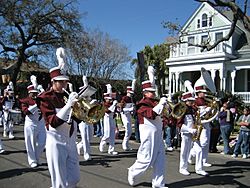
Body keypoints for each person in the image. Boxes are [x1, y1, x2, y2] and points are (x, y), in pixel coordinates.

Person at [36, 52, 80, 188]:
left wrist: (84, 110)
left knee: (74, 178)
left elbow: (76, 119)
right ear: (53, 82)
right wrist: (68, 106)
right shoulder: (45, 98)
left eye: (66, 81)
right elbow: (53, 122)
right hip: (56, 142)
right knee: (59, 182)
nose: (64, 84)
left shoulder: (67, 96)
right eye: (61, 81)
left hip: (71, 140)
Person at [128, 80, 168, 188]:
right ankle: (133, 171)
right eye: (151, 92)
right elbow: (151, 114)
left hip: (158, 134)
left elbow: (163, 116)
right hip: (148, 135)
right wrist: (160, 104)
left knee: (160, 160)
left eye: (154, 92)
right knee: (146, 159)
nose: (154, 94)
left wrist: (166, 109)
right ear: (145, 93)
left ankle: (158, 183)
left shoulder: (155, 103)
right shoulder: (142, 104)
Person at [179, 92, 208, 176]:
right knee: (185, 151)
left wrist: (205, 111)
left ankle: (199, 169)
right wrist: (189, 129)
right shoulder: (181, 110)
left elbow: (197, 117)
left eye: (192, 101)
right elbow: (179, 124)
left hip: (195, 132)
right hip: (186, 132)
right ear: (185, 101)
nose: (192, 103)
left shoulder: (193, 109)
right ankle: (183, 168)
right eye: (190, 101)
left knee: (199, 150)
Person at [20, 84, 46, 168]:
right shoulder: (25, 101)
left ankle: (37, 157)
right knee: (30, 143)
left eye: (36, 93)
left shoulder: (40, 100)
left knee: (42, 142)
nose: (35, 95)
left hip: (41, 123)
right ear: (29, 93)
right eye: (33, 93)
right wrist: (35, 105)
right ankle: (32, 160)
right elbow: (25, 112)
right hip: (31, 124)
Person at [99, 84, 119, 155]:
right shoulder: (104, 104)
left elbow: (116, 111)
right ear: (105, 99)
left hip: (112, 119)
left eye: (111, 99)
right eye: (109, 99)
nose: (110, 100)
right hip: (107, 119)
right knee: (107, 134)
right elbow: (108, 111)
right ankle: (102, 142)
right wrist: (113, 105)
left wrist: (116, 107)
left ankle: (111, 149)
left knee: (113, 134)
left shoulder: (112, 103)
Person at [119, 86, 135, 151]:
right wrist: (130, 109)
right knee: (128, 130)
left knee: (130, 131)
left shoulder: (131, 99)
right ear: (127, 92)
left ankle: (126, 144)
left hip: (128, 115)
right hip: (124, 115)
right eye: (130, 93)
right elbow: (121, 109)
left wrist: (132, 110)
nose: (131, 95)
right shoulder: (124, 98)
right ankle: (124, 144)